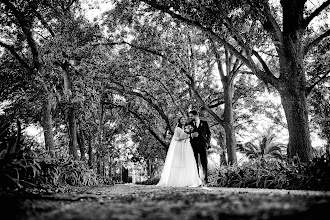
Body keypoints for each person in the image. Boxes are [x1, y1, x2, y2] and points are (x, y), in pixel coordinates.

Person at [157, 116, 202, 187]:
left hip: (187, 146)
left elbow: (190, 137)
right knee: (179, 163)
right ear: (179, 121)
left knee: (187, 162)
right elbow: (176, 138)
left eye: (184, 119)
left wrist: (190, 134)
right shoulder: (177, 128)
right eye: (182, 119)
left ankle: (188, 181)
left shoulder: (189, 127)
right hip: (179, 146)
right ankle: (178, 181)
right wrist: (187, 135)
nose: (183, 120)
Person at [187, 109, 211, 184]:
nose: (190, 118)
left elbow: (209, 133)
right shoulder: (189, 123)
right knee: (195, 162)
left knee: (204, 161)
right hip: (193, 145)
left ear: (196, 115)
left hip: (203, 144)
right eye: (189, 116)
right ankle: (197, 180)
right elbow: (186, 134)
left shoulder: (204, 123)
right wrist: (191, 135)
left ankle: (205, 179)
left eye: (191, 116)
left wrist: (207, 143)